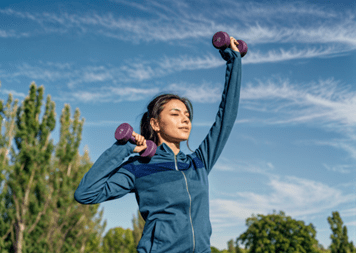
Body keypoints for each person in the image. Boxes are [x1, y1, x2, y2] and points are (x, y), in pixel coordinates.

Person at [74, 37, 242, 253]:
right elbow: (86, 194)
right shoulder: (139, 167)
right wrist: (123, 148)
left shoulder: (198, 163)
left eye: (187, 115)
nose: (185, 120)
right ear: (155, 123)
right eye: (175, 114)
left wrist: (234, 61)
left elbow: (226, 116)